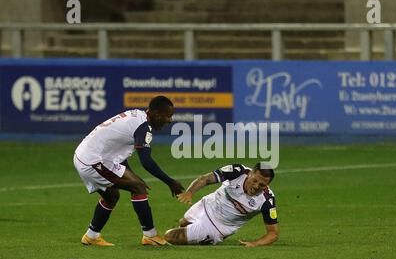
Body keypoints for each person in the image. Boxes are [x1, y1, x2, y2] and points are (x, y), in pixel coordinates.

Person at [73, 95, 184, 247]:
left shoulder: (137, 116)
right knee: (138, 187)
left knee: (112, 196)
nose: (170, 120)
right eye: (168, 116)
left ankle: (91, 236)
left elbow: (118, 153)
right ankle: (150, 235)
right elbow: (146, 161)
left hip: (90, 155)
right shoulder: (143, 127)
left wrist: (132, 176)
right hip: (93, 160)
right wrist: (170, 182)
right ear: (157, 114)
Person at [164, 163, 278, 247]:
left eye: (262, 185)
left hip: (216, 227)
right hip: (206, 205)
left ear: (267, 184)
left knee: (169, 236)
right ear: (250, 173)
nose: (256, 186)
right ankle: (194, 234)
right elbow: (206, 179)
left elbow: (273, 233)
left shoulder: (267, 200)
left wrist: (254, 244)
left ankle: (207, 238)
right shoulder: (237, 171)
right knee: (182, 223)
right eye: (255, 180)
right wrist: (189, 193)